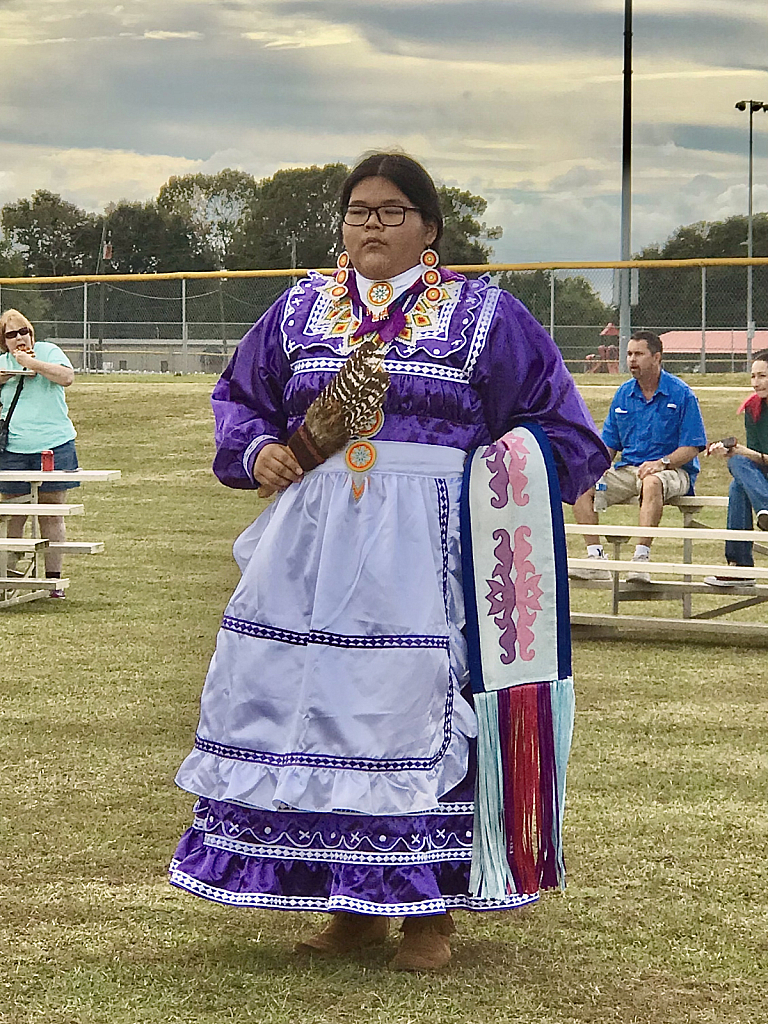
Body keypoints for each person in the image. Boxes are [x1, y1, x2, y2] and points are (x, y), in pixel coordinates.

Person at [170, 152, 609, 971]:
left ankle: (427, 915)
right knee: (312, 711)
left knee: (410, 716)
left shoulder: (488, 317)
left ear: (430, 228)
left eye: (392, 210)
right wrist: (260, 448)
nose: (372, 224)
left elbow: (563, 427)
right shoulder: (300, 309)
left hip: (432, 555)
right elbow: (240, 398)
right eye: (358, 212)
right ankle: (348, 903)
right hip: (313, 548)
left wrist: (495, 478)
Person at [569, 330, 707, 584]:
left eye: (638, 354)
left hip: (674, 470)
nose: (632, 360)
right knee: (581, 483)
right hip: (629, 469)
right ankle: (595, 559)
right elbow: (608, 445)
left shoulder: (681, 393)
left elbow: (693, 446)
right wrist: (592, 468)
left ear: (656, 357)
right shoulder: (623, 394)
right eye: (629, 354)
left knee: (653, 482)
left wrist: (661, 463)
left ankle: (640, 560)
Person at [0, 309, 78, 598]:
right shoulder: (2, 363)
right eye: (11, 334)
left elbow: (66, 377)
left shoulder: (49, 351)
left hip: (54, 444)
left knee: (51, 513)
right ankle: (9, 579)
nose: (19, 338)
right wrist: (11, 373)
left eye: (24, 331)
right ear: (3, 341)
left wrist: (31, 362)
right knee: (15, 513)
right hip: (14, 449)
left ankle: (53, 581)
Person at [704, 349, 768, 587]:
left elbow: (754, 455)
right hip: (764, 481)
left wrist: (745, 453)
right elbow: (754, 461)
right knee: (737, 471)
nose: (755, 383)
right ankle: (740, 566)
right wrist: (733, 452)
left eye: (762, 376)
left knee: (737, 482)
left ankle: (739, 566)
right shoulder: (753, 409)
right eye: (752, 377)